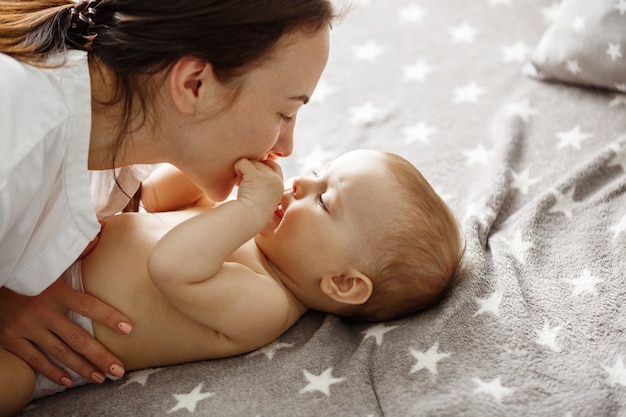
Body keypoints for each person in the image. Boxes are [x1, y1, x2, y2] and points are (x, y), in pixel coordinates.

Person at [0, 0, 336, 391]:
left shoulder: (114, 129)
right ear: (194, 85)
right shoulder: (16, 152)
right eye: (284, 113)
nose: (287, 147)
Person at [0, 149, 465, 416]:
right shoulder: (241, 226)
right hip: (42, 254)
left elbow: (173, 267)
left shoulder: (266, 305)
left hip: (51, 344)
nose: (302, 181)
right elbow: (151, 198)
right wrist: (215, 170)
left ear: (342, 283)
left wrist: (245, 212)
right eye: (320, 171)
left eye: (324, 201)